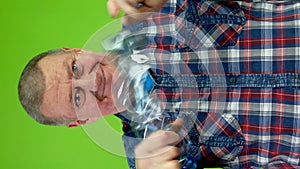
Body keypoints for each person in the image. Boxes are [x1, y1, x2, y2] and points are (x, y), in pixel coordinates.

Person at [18, 0, 300, 169]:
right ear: (81, 121)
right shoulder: (147, 155)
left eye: (75, 68)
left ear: (74, 51)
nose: (93, 81)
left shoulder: (147, 12)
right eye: (76, 98)